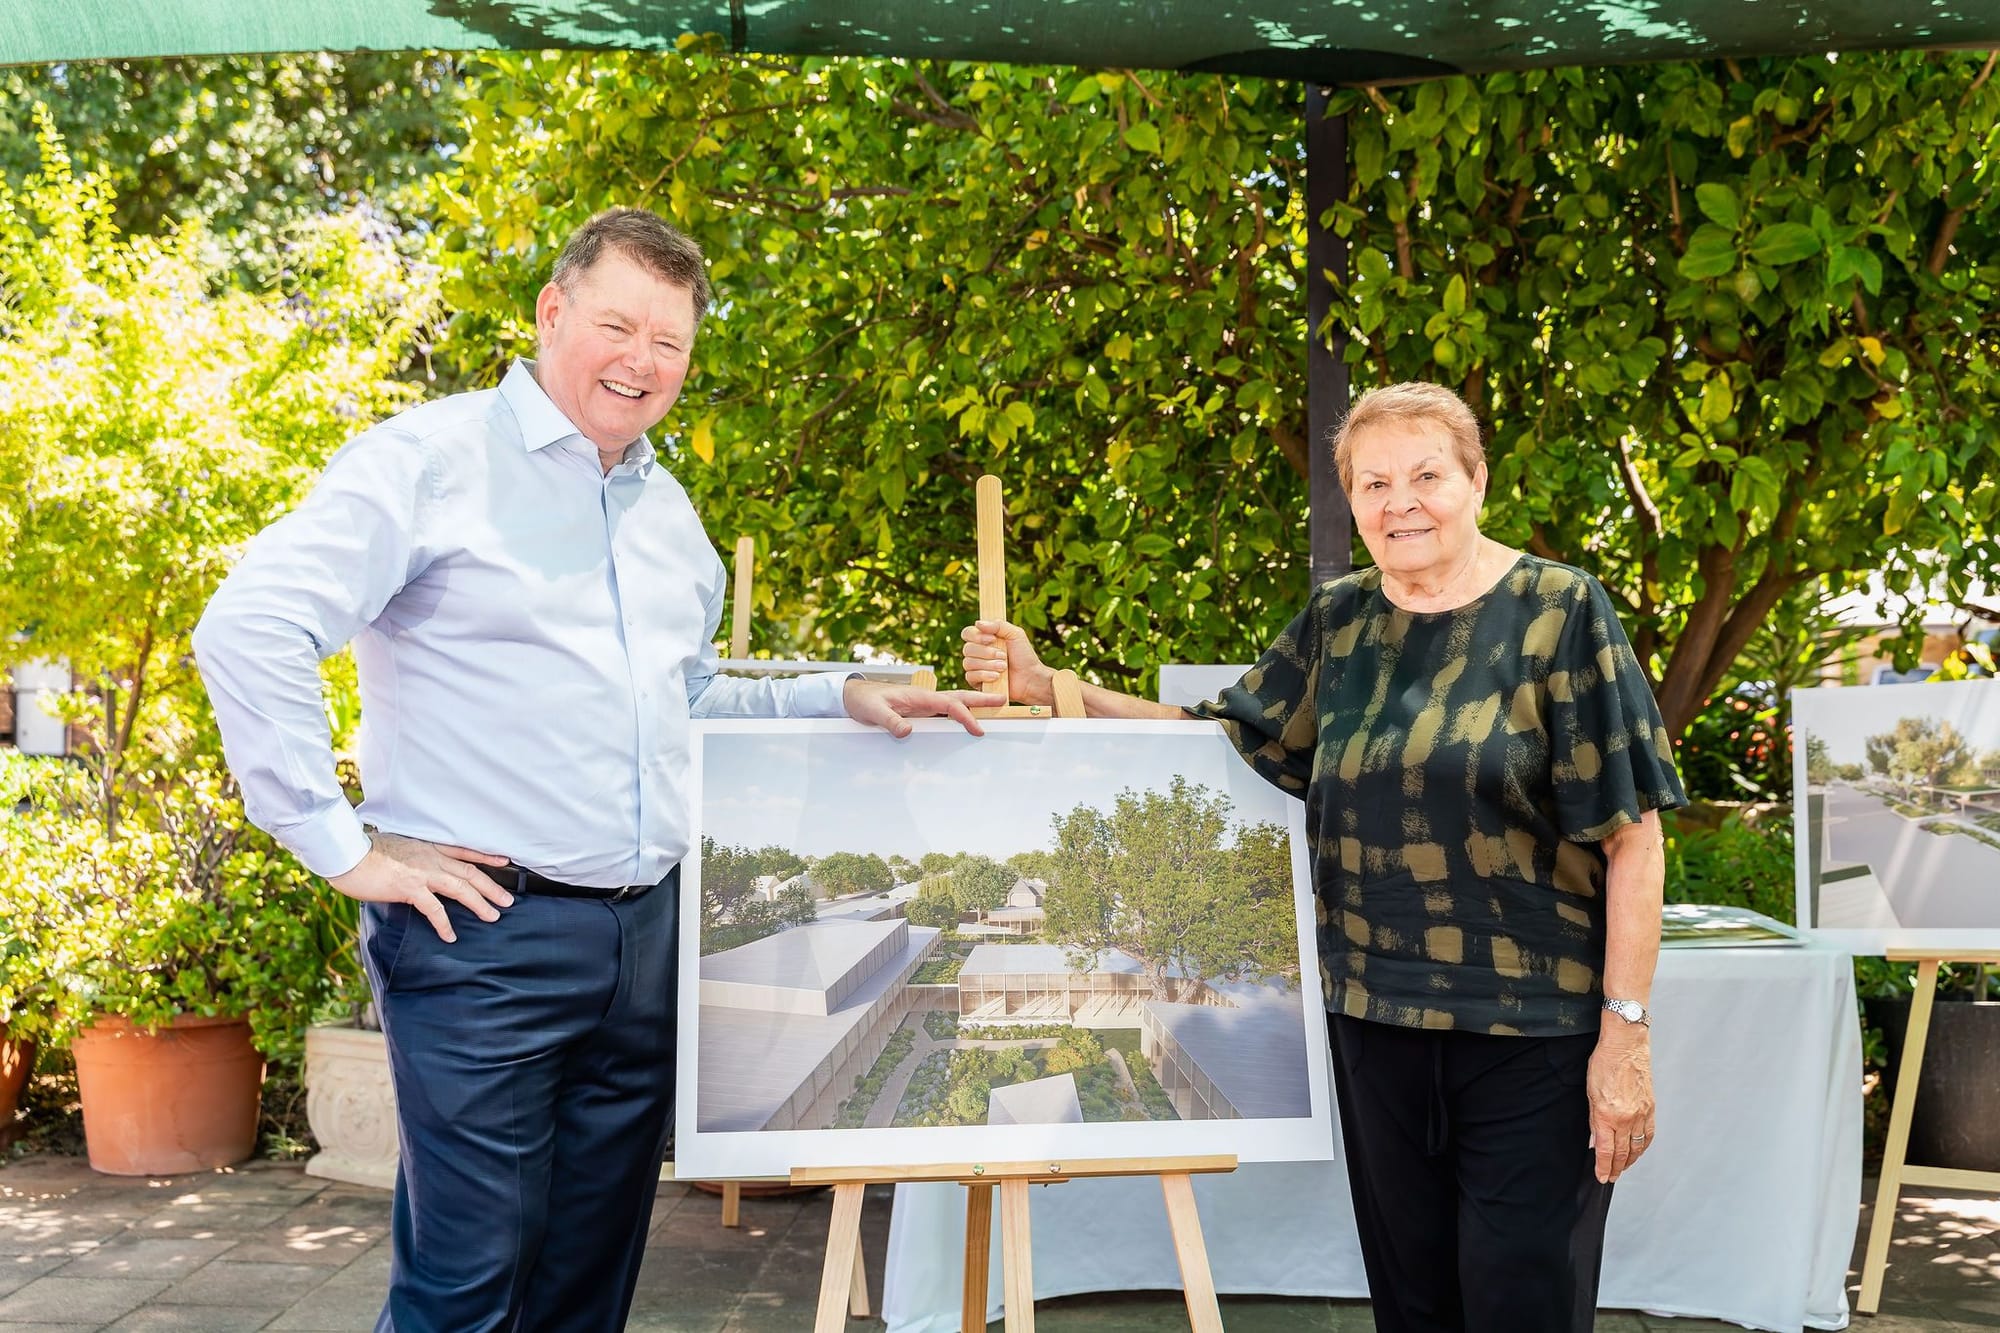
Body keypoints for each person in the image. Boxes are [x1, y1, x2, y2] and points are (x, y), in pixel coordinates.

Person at [195, 206, 991, 1333]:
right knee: (466, 1290)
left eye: (670, 343)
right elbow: (249, 626)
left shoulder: (668, 513)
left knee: (586, 1290)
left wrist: (835, 692)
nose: (642, 361)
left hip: (643, 942)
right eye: (618, 325)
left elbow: (686, 699)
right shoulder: (429, 461)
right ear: (551, 312)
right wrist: (340, 845)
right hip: (484, 937)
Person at [961, 381, 1685, 1332]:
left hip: (1531, 1038)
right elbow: (1219, 737)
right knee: (1413, 1301)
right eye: (1374, 482)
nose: (1401, 502)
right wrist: (1048, 682)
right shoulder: (1340, 622)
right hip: (1373, 1020)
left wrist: (1624, 1035)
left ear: (1477, 482)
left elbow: (1635, 838)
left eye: (1426, 474)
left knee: (1524, 1302)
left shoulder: (1560, 611)